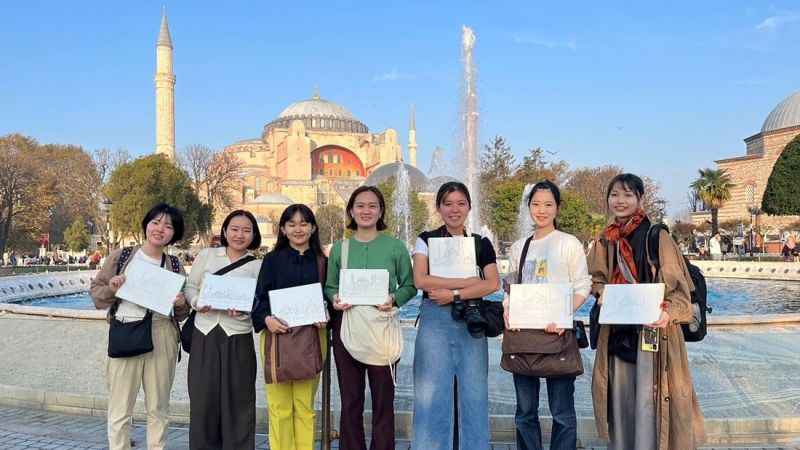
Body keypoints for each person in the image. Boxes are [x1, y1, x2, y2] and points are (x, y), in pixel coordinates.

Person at [587, 174, 705, 450]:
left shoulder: (657, 236)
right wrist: (601, 292)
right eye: (615, 194)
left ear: (640, 199)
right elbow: (595, 279)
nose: (620, 201)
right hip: (617, 335)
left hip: (654, 335)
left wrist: (668, 313)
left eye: (628, 195)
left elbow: (681, 294)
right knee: (622, 406)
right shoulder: (605, 239)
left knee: (651, 408)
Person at [89, 203, 190, 450]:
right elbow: (97, 295)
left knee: (158, 407)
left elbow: (183, 312)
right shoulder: (122, 256)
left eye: (168, 226)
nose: (160, 229)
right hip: (126, 329)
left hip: (162, 333)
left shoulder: (175, 265)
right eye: (156, 222)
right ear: (146, 224)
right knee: (120, 407)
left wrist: (180, 303)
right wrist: (113, 287)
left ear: (173, 234)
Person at [324, 186, 417, 450]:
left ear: (381, 211)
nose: (366, 211)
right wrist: (334, 299)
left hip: (382, 328)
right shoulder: (340, 249)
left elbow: (410, 286)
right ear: (351, 210)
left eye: (372, 205)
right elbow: (330, 286)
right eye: (360, 205)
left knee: (383, 400)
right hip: (348, 328)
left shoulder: (396, 247)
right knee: (350, 400)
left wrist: (394, 299)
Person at [410, 181, 500, 450]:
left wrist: (454, 295)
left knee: (474, 392)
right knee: (431, 392)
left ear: (469, 207)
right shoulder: (426, 239)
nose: (454, 209)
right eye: (448, 203)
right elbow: (420, 280)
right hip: (434, 322)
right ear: (438, 208)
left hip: (470, 320)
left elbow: (492, 283)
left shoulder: (481, 243)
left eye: (461, 203)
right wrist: (467, 281)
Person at [502, 180, 591, 450]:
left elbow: (583, 285)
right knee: (525, 412)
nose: (541, 210)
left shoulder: (568, 243)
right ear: (529, 206)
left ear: (557, 208)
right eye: (536, 204)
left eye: (548, 204)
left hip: (558, 333)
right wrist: (508, 311)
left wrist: (565, 314)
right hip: (526, 335)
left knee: (562, 411)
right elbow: (512, 287)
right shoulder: (520, 247)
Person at [252, 204, 329, 450]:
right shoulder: (272, 261)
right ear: (283, 229)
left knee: (305, 407)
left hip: (313, 338)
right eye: (292, 224)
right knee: (279, 407)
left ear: (313, 227)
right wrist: (266, 319)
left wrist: (326, 315)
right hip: (276, 338)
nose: (298, 229)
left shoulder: (322, 262)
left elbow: (331, 298)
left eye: (304, 223)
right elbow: (259, 299)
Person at [184, 210, 262, 449]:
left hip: (237, 336)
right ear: (225, 231)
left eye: (246, 230)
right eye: (235, 229)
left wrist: (246, 309)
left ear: (254, 235)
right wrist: (197, 302)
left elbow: (260, 301)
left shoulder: (258, 265)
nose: (240, 235)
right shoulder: (208, 256)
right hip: (205, 333)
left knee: (239, 401)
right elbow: (190, 286)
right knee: (203, 400)